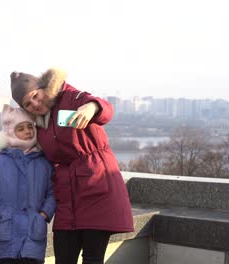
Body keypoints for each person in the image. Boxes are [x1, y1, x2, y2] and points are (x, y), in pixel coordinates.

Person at [9, 68, 134, 264]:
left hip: (97, 188)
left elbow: (106, 110)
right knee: (63, 257)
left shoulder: (70, 97)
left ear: (43, 88)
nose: (34, 103)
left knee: (92, 259)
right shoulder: (39, 122)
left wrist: (91, 107)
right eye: (27, 103)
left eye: (35, 95)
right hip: (67, 195)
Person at [0, 104, 56, 264]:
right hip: (6, 234)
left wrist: (43, 215)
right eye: (21, 128)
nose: (27, 131)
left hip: (33, 234)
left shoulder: (44, 163)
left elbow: (53, 192)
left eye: (30, 126)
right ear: (10, 132)